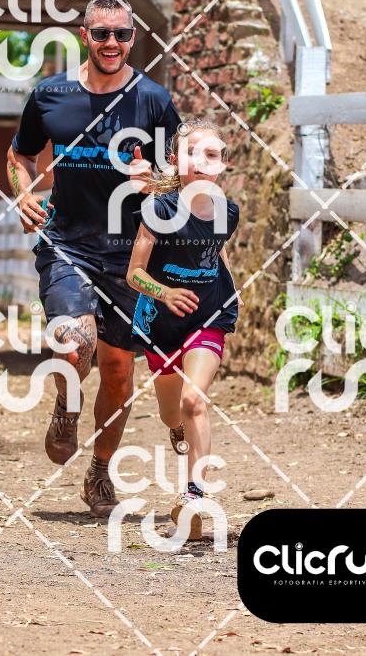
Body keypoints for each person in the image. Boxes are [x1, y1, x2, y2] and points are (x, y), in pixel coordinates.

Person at [6, 0, 181, 517]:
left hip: (130, 255)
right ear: (85, 35)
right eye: (101, 33)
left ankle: (100, 472)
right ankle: (67, 402)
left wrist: (155, 179)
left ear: (132, 38)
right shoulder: (50, 95)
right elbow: (20, 153)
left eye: (121, 34)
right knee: (74, 344)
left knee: (119, 372)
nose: (111, 43)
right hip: (67, 243)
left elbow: (182, 173)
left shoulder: (152, 100)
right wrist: (23, 192)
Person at [126, 119, 240, 539]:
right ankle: (176, 427)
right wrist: (166, 292)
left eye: (212, 154)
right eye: (193, 153)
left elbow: (215, 249)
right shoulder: (159, 210)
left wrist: (231, 287)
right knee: (171, 412)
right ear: (176, 161)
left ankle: (194, 497)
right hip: (161, 322)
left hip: (208, 315)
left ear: (222, 163)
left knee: (195, 400)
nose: (203, 161)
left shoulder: (228, 211)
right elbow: (134, 274)